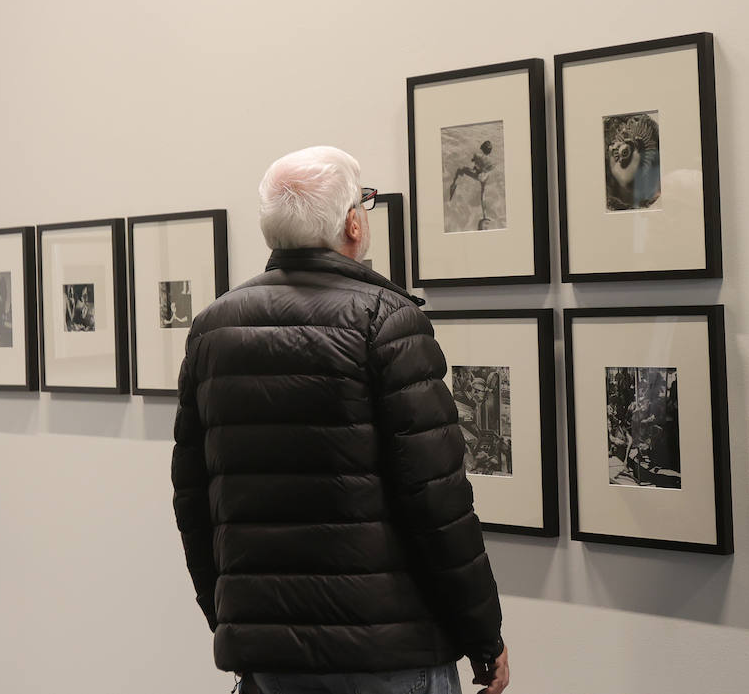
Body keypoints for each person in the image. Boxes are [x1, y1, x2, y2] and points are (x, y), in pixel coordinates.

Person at [171, 146, 509, 694]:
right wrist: (484, 637)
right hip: (387, 660)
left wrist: (234, 620)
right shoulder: (385, 320)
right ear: (353, 223)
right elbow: (436, 503)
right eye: (365, 204)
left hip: (269, 662)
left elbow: (193, 498)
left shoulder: (213, 329)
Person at [448, 140, 496, 230]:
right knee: (483, 194)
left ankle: (454, 185)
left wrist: (475, 163)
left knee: (460, 170)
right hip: (485, 177)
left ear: (482, 148)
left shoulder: (477, 155)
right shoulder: (492, 162)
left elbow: (474, 163)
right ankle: (485, 215)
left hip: (478, 176)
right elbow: (489, 169)